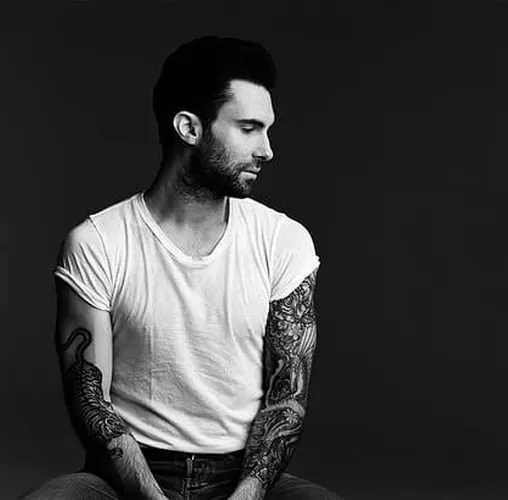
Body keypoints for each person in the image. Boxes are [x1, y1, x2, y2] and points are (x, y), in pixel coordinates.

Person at [20, 36, 343, 500]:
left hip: (245, 477)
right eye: (249, 129)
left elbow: (285, 403)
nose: (267, 150)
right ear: (189, 128)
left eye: (267, 130)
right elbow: (91, 401)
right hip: (129, 477)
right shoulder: (98, 243)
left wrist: (247, 495)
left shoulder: (283, 241)